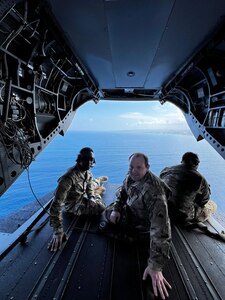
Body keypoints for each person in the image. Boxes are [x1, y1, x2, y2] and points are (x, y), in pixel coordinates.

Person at [99, 152, 172, 300]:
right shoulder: (132, 175)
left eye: (139, 167)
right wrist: (117, 209)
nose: (133, 171)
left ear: (147, 167)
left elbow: (161, 230)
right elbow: (123, 192)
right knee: (107, 214)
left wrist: (156, 266)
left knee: (104, 226)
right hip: (131, 211)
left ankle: (133, 237)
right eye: (131, 166)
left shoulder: (154, 193)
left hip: (144, 224)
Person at [48, 147, 108, 252]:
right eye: (86, 159)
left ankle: (98, 181)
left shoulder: (87, 172)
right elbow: (56, 205)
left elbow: (88, 185)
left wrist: (91, 197)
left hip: (82, 195)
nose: (89, 162)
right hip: (74, 205)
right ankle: (98, 192)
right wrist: (57, 231)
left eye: (91, 160)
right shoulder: (68, 178)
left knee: (92, 185)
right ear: (79, 159)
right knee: (101, 207)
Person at [160, 152, 217, 225]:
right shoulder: (199, 178)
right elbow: (204, 201)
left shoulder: (166, 170)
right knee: (213, 205)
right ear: (196, 164)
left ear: (182, 161)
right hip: (181, 216)